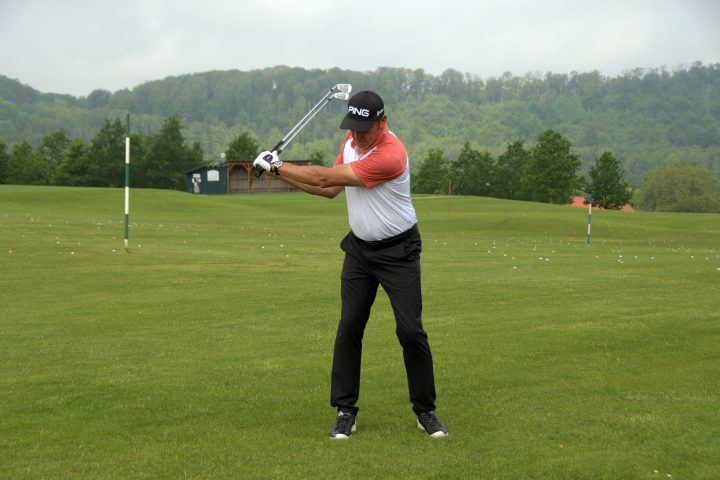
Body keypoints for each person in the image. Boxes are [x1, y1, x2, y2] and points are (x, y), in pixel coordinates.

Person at [253, 90, 448, 439]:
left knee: (410, 331)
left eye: (364, 129)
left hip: (399, 252)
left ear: (383, 122)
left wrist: (278, 165)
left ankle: (425, 410)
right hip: (360, 251)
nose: (357, 135)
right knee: (349, 327)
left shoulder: (391, 155)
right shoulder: (352, 142)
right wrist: (277, 173)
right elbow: (328, 191)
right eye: (353, 128)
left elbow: (325, 179)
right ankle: (346, 410)